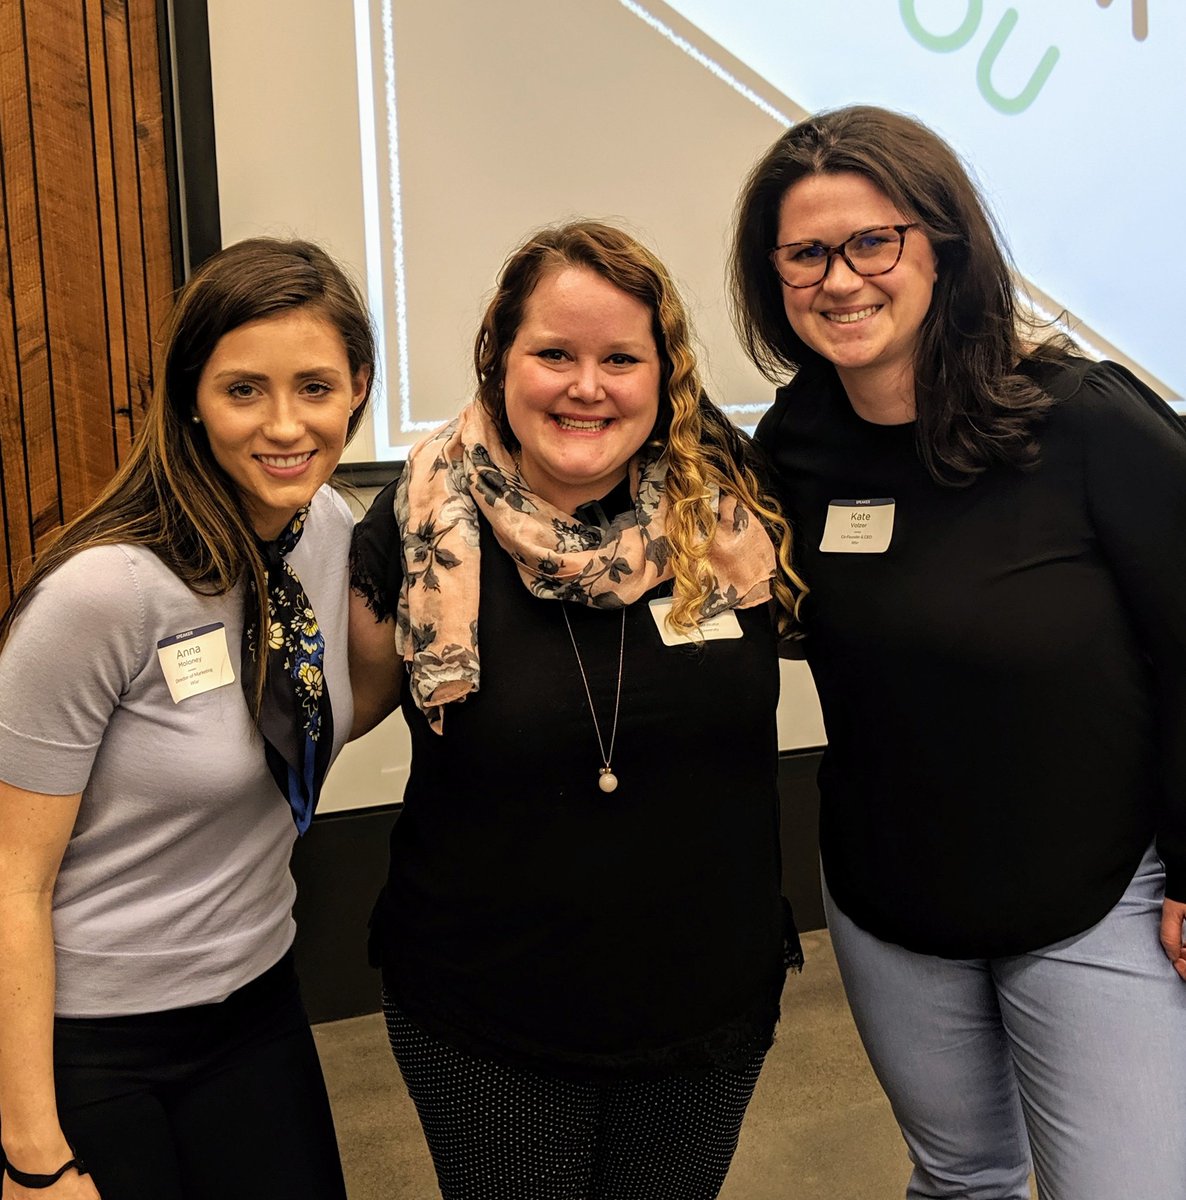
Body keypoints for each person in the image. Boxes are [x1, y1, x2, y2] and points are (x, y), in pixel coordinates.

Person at [728, 103, 1186, 1200]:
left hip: (1096, 890)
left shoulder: (1078, 419)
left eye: (871, 241)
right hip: (891, 898)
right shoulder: (794, 443)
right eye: (803, 253)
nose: (838, 279)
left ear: (942, 248)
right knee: (961, 1177)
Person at [349, 220, 805, 1200]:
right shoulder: (419, 523)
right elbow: (324, 716)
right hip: (490, 1024)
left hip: (707, 1011)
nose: (585, 385)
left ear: (664, 373)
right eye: (553, 353)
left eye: (620, 358)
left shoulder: (732, 509)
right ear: (498, 360)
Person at [0, 237, 374, 1199]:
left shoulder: (322, 528)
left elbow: (302, 714)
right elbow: (11, 882)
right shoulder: (105, 595)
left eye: (316, 387)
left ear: (360, 389)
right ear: (189, 399)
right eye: (244, 389)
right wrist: (31, 1155)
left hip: (256, 999)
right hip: (93, 1043)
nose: (286, 425)